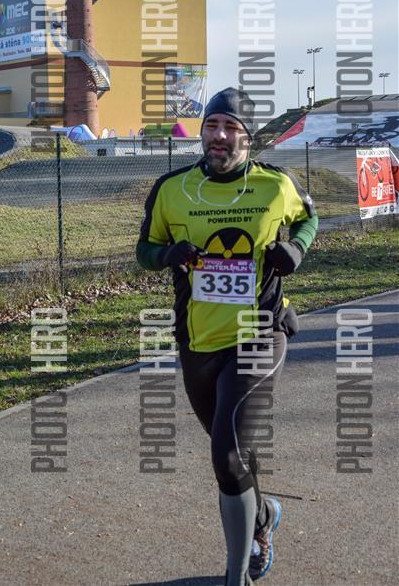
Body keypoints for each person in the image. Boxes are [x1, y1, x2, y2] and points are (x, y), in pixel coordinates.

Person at [136, 88, 318, 585]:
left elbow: (308, 217)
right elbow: (144, 249)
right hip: (198, 341)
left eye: (231, 127)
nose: (219, 135)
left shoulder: (275, 184)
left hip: (260, 333)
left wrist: (296, 249)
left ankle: (237, 575)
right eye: (212, 125)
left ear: (248, 137)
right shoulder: (172, 189)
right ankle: (263, 516)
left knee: (226, 451)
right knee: (235, 450)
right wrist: (166, 255)